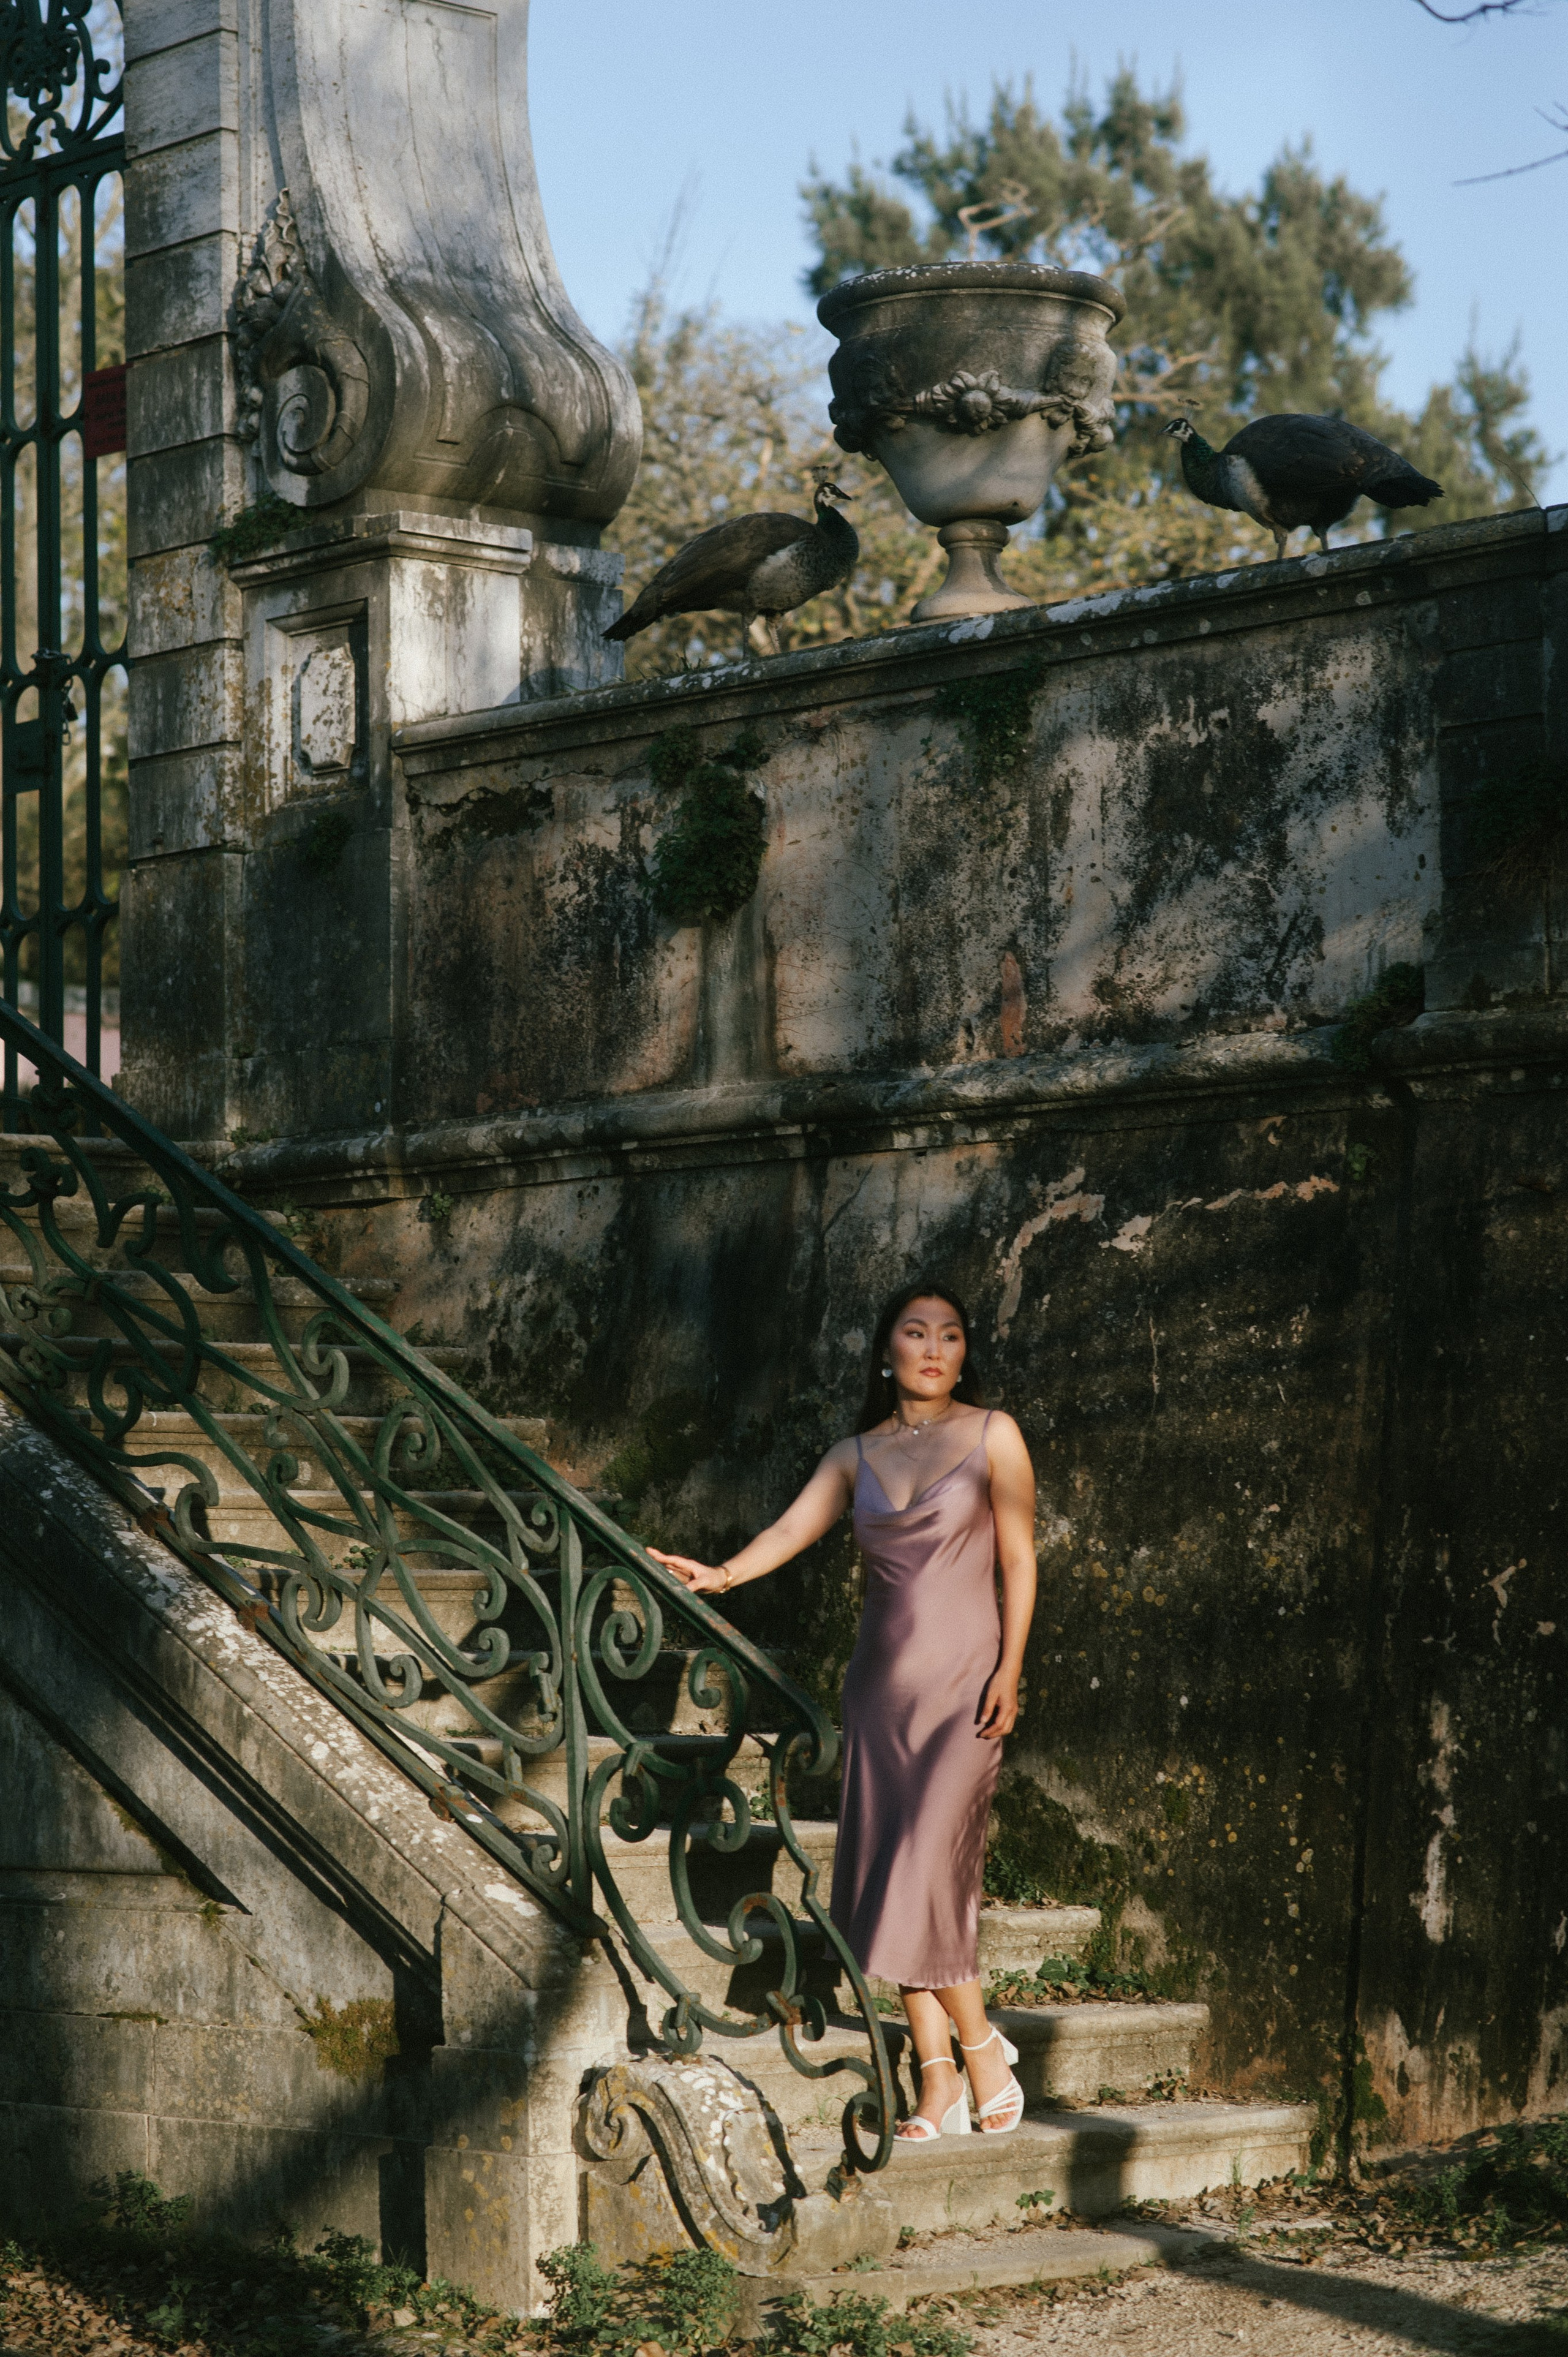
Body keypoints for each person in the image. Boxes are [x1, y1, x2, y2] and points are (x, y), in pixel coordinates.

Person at [649, 1280, 1039, 2141]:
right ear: (886, 1351)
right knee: (892, 1870)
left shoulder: (995, 1435)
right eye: (916, 1332)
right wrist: (722, 1575)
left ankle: (982, 2050)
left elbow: (1019, 1558)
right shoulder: (854, 1455)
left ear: (964, 1354)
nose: (934, 1348)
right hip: (879, 1694)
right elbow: (791, 1532)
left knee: (926, 1870)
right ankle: (937, 2078)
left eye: (950, 1335)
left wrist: (1011, 1668)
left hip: (965, 1687)